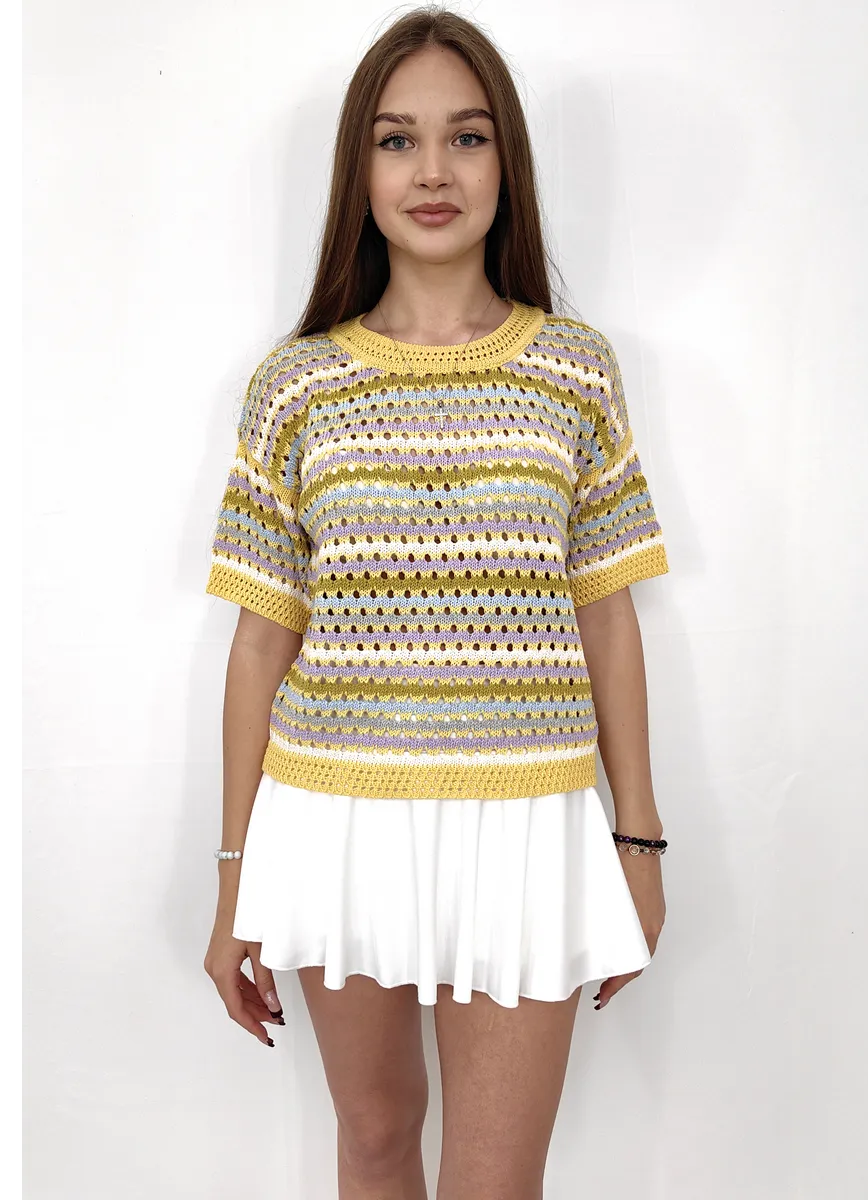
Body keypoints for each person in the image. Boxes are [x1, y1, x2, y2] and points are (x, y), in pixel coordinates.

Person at [202, 6, 669, 1197]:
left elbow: (608, 613)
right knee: (372, 1140)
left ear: (506, 162)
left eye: (466, 137)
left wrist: (638, 839)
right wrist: (235, 877)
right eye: (396, 140)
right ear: (358, 170)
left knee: (495, 1181)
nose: (432, 172)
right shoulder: (295, 384)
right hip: (334, 811)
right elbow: (261, 640)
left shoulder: (575, 369)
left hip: (526, 818)